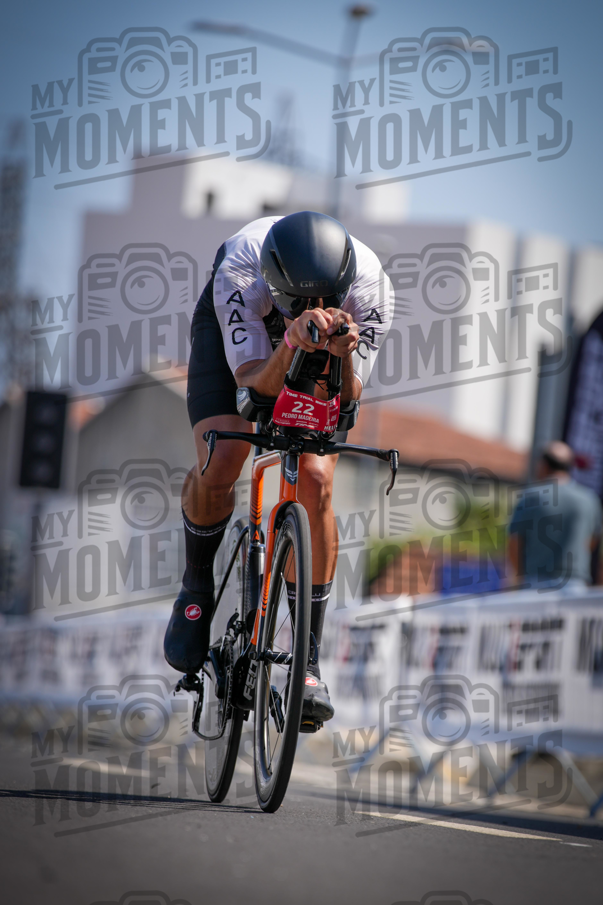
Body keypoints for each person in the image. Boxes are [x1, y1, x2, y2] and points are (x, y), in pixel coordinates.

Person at [163, 210, 393, 726]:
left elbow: (350, 397)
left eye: (323, 302)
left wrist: (341, 355)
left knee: (315, 479)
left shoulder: (371, 287)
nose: (314, 308)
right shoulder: (240, 269)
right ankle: (196, 584)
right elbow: (251, 387)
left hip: (317, 354)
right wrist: (289, 341)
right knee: (224, 454)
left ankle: (307, 662)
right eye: (302, 301)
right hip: (247, 351)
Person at [508, 440, 602, 591]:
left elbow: (515, 542)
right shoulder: (589, 499)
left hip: (534, 584)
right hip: (575, 585)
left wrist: (517, 579)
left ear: (543, 465)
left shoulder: (531, 497)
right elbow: (591, 542)